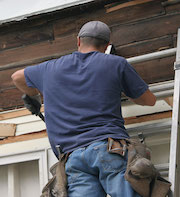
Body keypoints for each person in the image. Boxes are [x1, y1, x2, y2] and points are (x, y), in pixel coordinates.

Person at [11, 21, 156, 197]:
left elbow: (17, 77)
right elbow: (149, 100)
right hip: (108, 148)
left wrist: (37, 94)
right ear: (107, 46)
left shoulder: (49, 69)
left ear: (78, 41)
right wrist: (122, 87)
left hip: (73, 158)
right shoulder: (115, 63)